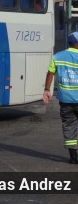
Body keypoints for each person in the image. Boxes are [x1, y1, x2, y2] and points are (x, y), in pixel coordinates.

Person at [43, 31, 78, 164]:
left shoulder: (58, 56)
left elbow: (50, 73)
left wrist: (46, 90)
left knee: (69, 126)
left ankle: (73, 157)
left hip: (66, 100)